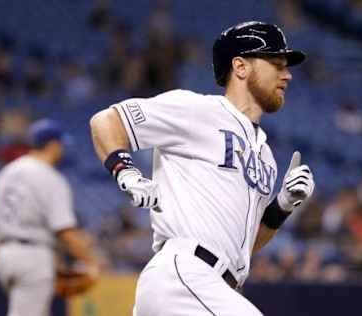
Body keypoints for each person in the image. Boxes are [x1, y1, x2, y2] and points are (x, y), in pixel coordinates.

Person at [90, 21, 315, 315]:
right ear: (241, 67)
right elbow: (106, 121)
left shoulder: (267, 157)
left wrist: (282, 207)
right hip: (184, 275)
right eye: (276, 63)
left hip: (212, 288)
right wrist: (126, 172)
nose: (287, 74)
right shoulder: (197, 110)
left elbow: (244, 246)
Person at [0, 119, 99, 316]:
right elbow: (65, 231)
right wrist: (91, 262)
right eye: (61, 145)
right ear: (53, 145)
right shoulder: (50, 178)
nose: (62, 149)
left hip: (5, 254)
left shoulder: (8, 171)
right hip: (33, 256)